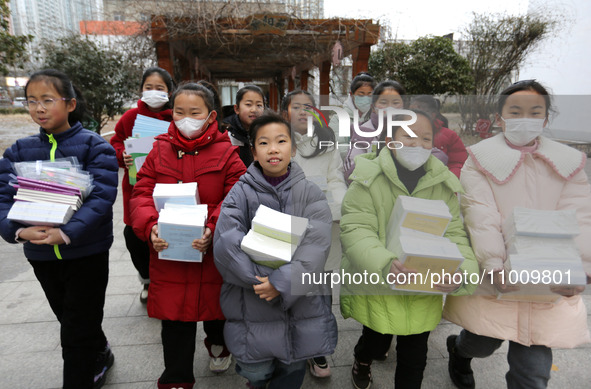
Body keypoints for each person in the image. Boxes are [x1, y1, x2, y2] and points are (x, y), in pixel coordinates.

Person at [443, 80, 591, 389]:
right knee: (481, 344)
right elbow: (480, 216)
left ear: (546, 119)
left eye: (535, 112)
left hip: (548, 284)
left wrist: (584, 269)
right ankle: (458, 351)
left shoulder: (569, 165)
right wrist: (495, 266)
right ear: (500, 118)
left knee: (533, 373)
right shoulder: (479, 161)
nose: (526, 118)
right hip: (497, 278)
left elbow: (581, 217)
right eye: (516, 111)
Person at [340, 109, 479, 389]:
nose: (417, 144)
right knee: (375, 340)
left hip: (423, 290)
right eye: (409, 136)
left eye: (425, 138)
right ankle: (362, 359)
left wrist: (461, 272)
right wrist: (384, 262)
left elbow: (454, 234)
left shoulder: (442, 185)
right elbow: (356, 229)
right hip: (381, 285)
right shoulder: (367, 178)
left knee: (415, 360)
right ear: (390, 139)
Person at [0, 69, 119, 388]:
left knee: (76, 329)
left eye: (48, 100)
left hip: (86, 253)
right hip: (40, 255)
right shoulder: (18, 152)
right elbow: (2, 196)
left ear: (70, 104)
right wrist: (17, 231)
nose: (39, 108)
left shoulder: (94, 146)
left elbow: (102, 197)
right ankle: (100, 351)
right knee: (69, 317)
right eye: (32, 101)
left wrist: (68, 232)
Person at [129, 82, 246, 389]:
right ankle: (176, 378)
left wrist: (213, 228)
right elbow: (140, 193)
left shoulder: (227, 151)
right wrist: (150, 226)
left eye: (194, 113)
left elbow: (237, 197)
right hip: (170, 253)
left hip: (211, 253)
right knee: (174, 320)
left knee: (215, 309)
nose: (185, 119)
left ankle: (218, 344)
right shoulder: (158, 149)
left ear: (210, 117)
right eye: (179, 112)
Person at [213, 113, 338, 389]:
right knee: (255, 370)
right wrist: (262, 281)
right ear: (253, 151)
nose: (273, 149)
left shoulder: (311, 193)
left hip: (300, 304)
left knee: (292, 368)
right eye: (264, 142)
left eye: (281, 141)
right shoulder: (239, 193)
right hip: (252, 300)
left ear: (293, 149)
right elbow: (226, 243)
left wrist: (281, 282)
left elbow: (316, 247)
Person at [280, 89, 347, 377]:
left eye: (309, 107)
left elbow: (336, 180)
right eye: (297, 107)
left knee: (320, 292)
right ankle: (289, 346)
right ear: (286, 112)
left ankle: (317, 350)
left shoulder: (327, 143)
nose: (304, 112)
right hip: (288, 231)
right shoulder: (275, 140)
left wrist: (338, 206)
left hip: (322, 228)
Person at [109, 67, 174, 303]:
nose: (153, 92)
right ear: (141, 90)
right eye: (149, 87)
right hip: (136, 187)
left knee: (165, 232)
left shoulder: (176, 117)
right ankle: (146, 279)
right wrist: (122, 156)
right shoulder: (130, 117)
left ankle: (166, 280)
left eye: (160, 88)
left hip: (168, 186)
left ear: (169, 91)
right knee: (134, 235)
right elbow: (115, 143)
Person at [343, 80, 406, 182]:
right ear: (373, 107)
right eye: (383, 102)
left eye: (395, 102)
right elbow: (351, 171)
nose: (389, 107)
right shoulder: (363, 132)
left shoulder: (413, 129)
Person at [409, 95, 467, 178]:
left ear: (432, 115)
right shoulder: (402, 134)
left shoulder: (449, 136)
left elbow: (458, 163)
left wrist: (447, 179)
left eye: (418, 114)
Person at [328, 72, 376, 148]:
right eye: (361, 94)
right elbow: (333, 147)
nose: (366, 98)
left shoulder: (377, 118)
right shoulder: (338, 119)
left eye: (370, 95)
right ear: (351, 94)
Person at [221, 85, 266, 166]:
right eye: (248, 104)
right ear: (237, 109)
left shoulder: (268, 131)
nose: (254, 110)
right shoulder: (225, 133)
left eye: (259, 105)